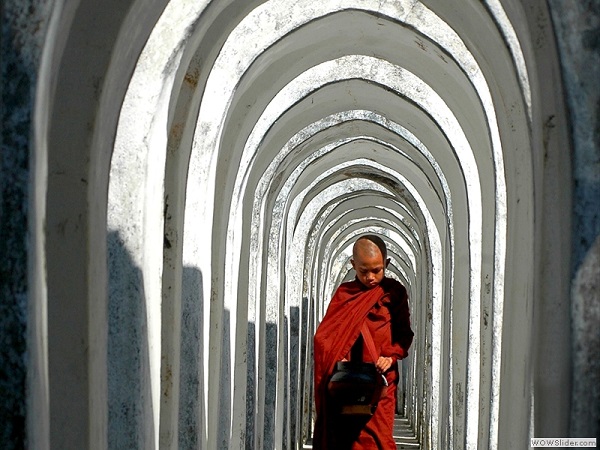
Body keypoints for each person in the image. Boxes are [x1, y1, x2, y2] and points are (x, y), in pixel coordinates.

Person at [313, 234, 414, 449]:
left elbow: (404, 334)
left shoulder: (393, 293)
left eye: (377, 270)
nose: (370, 277)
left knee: (379, 438)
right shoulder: (345, 294)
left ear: (386, 264)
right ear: (353, 265)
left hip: (380, 379)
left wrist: (391, 355)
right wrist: (336, 355)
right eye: (363, 271)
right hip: (347, 380)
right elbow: (324, 336)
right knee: (344, 439)